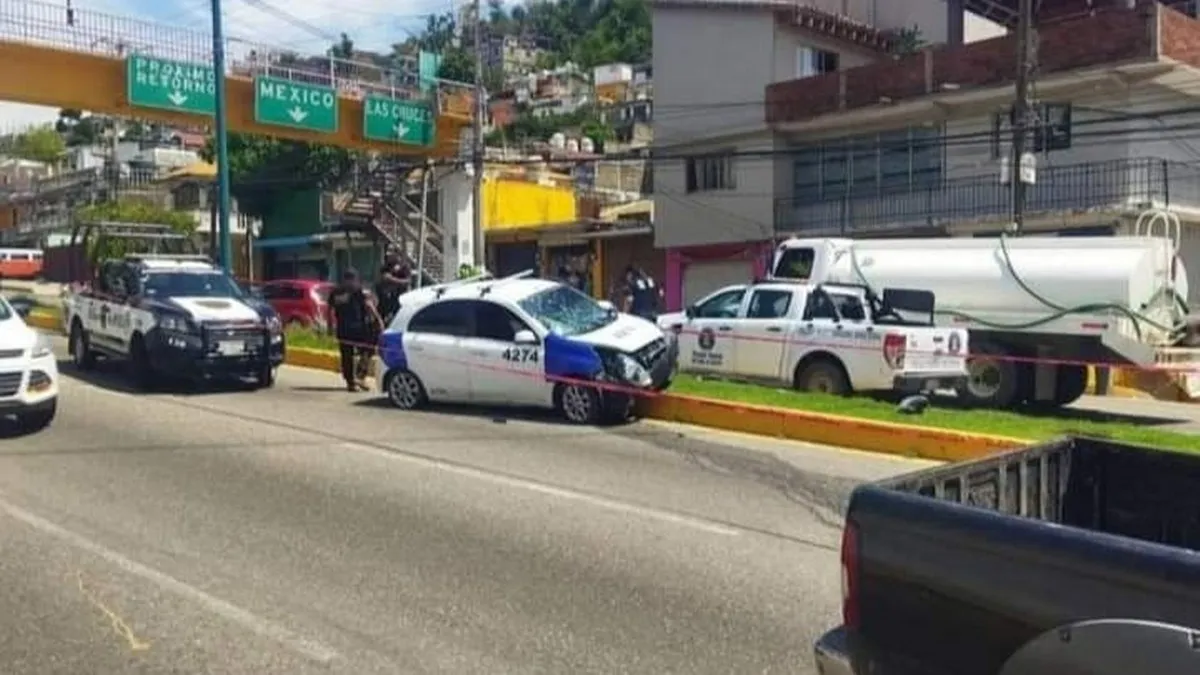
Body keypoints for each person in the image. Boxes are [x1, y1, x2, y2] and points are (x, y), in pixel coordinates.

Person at [329, 268, 383, 392]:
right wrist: (379, 321)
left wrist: (330, 326)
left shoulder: (338, 292)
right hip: (354, 329)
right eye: (351, 280)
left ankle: (355, 379)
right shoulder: (354, 291)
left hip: (349, 329)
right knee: (357, 352)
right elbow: (369, 306)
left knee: (356, 352)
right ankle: (355, 379)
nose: (351, 283)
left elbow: (330, 310)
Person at [375, 253, 409, 325]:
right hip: (385, 297)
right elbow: (381, 278)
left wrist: (392, 279)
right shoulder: (385, 267)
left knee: (398, 315)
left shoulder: (403, 267)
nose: (389, 258)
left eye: (391, 255)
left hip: (399, 296)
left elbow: (407, 281)